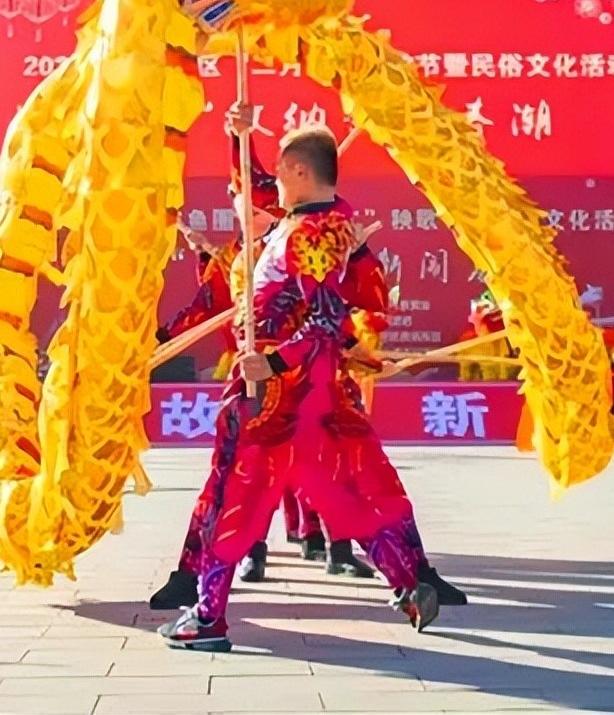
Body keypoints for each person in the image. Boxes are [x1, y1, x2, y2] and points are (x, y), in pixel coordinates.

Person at [159, 116, 442, 652]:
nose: (272, 191)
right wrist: (240, 137)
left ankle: (208, 617)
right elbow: (256, 183)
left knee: (235, 495)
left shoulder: (312, 234)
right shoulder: (324, 219)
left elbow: (325, 318)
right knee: (348, 488)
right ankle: (407, 582)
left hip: (278, 394)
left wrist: (276, 363)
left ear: (298, 170)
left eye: (282, 176)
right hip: (317, 391)